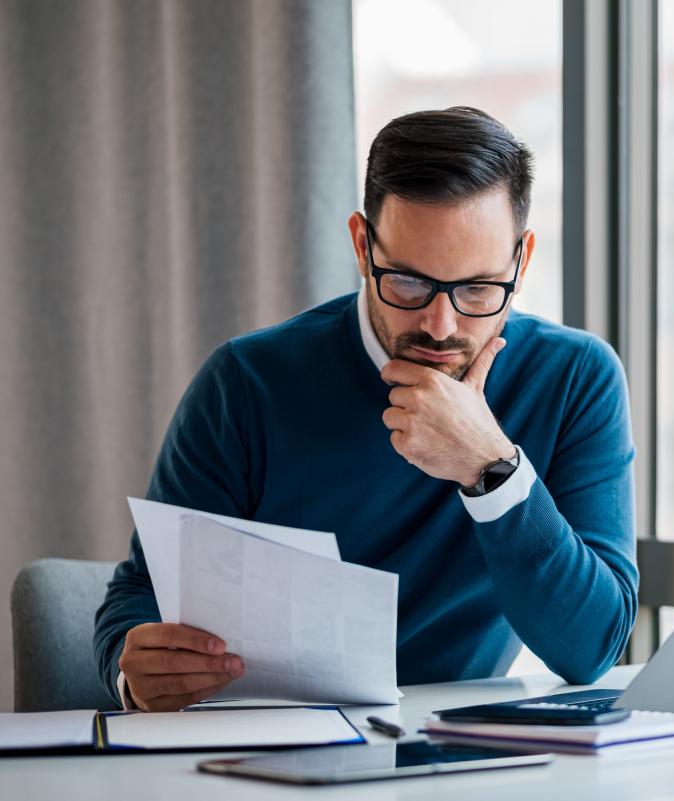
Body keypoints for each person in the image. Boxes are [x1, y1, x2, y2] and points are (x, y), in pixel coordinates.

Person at [93, 107, 638, 712]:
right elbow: (140, 594)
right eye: (407, 283)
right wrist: (133, 666)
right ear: (361, 245)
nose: (442, 324)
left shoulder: (576, 377)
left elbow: (591, 649)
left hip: (463, 749)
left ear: (522, 261)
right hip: (275, 746)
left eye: (479, 289)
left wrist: (492, 471)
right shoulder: (248, 382)